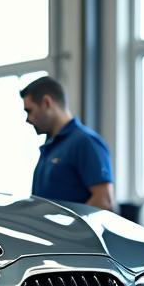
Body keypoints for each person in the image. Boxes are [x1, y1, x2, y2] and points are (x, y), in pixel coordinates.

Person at [20, 76, 115, 210]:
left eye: (29, 111)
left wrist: (65, 228)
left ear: (46, 102)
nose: (28, 119)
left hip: (66, 231)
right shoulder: (50, 147)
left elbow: (104, 200)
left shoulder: (84, 142)